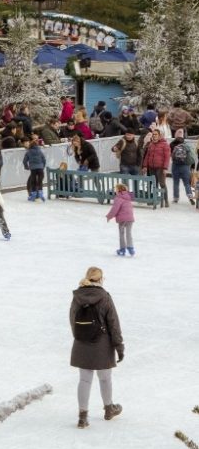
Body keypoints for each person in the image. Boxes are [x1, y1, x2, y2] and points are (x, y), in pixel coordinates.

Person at [69, 266, 123, 429]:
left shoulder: (77, 296)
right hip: (102, 344)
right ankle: (108, 409)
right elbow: (113, 323)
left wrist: (80, 337)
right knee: (105, 378)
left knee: (84, 380)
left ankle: (83, 417)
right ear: (100, 279)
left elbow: (72, 319)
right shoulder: (105, 297)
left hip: (82, 343)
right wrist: (119, 345)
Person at [141, 127, 171, 208]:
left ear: (160, 135)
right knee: (153, 184)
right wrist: (144, 166)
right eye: (153, 134)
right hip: (151, 167)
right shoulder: (151, 144)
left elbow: (167, 157)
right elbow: (147, 156)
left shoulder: (165, 145)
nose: (154, 136)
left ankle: (165, 200)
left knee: (162, 184)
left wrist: (165, 168)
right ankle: (153, 199)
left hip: (160, 168)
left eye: (155, 134)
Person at [106, 183, 136, 257]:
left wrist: (109, 216)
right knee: (129, 233)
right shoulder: (128, 197)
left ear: (118, 190)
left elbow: (115, 209)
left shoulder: (118, 198)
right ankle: (130, 247)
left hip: (122, 219)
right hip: (130, 218)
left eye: (116, 189)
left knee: (122, 233)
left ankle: (122, 249)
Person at [169, 128, 195, 203]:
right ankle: (190, 196)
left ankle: (176, 198)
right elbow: (191, 156)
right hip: (185, 167)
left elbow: (171, 155)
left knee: (176, 182)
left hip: (175, 166)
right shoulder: (186, 145)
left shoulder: (172, 144)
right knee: (187, 183)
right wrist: (192, 165)